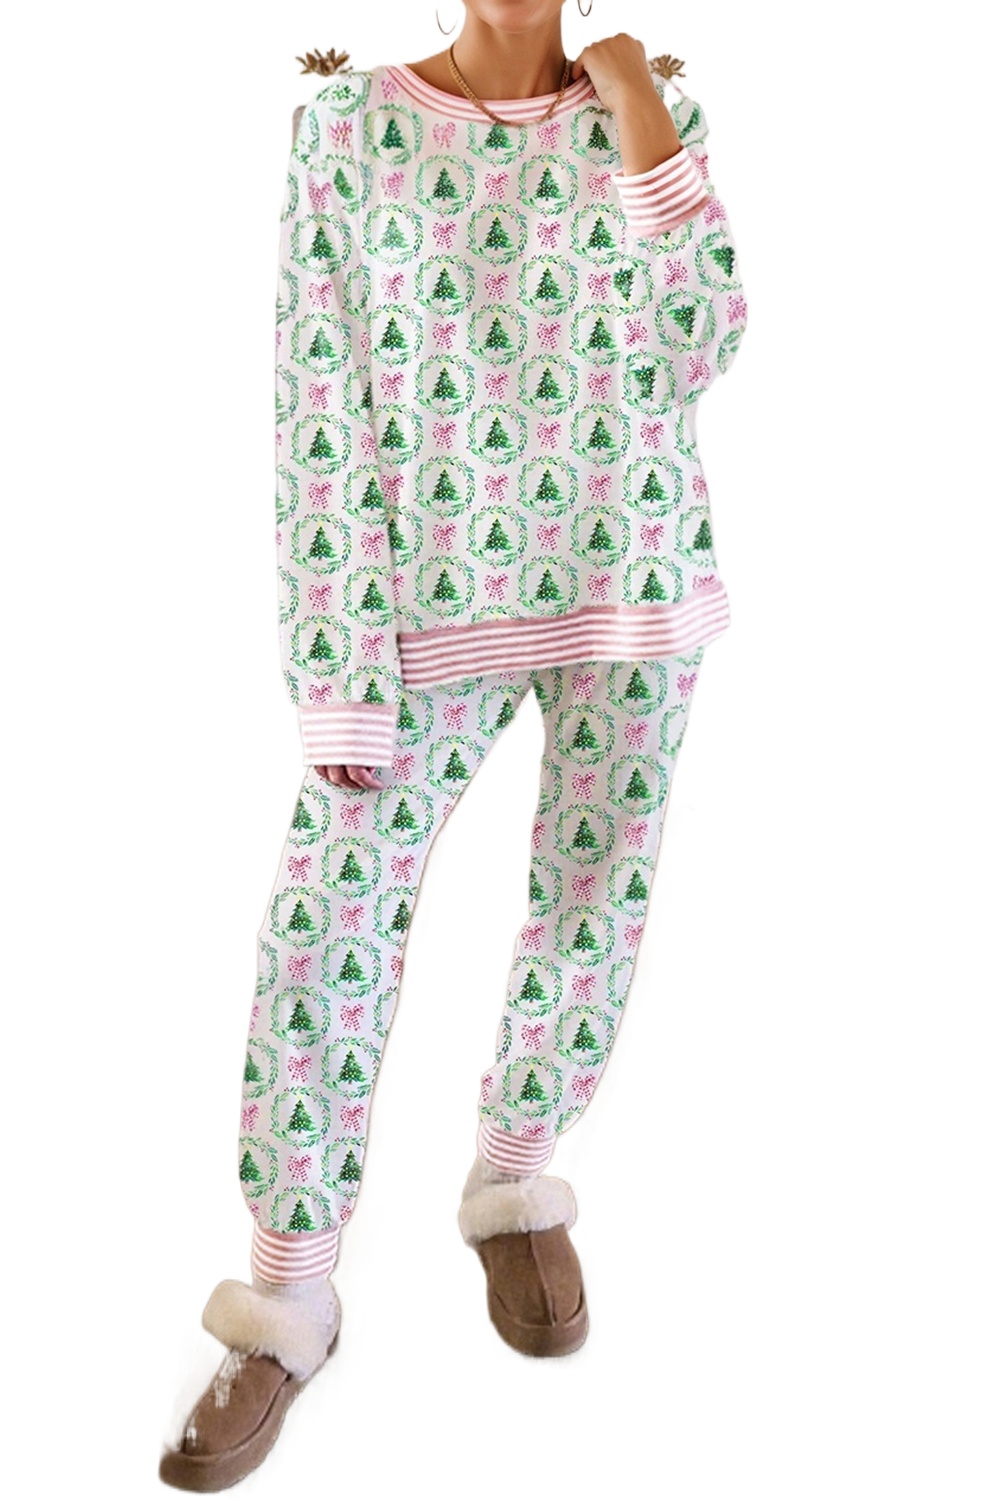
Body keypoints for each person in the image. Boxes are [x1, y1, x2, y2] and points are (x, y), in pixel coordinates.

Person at [159, 2, 748, 1488]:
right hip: (424, 608)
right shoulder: (348, 128)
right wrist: (337, 662)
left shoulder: (654, 112)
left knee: (593, 896)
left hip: (630, 578)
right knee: (329, 922)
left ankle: (516, 1182)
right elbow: (315, 400)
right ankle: (286, 1294)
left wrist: (633, 102)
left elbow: (703, 341)